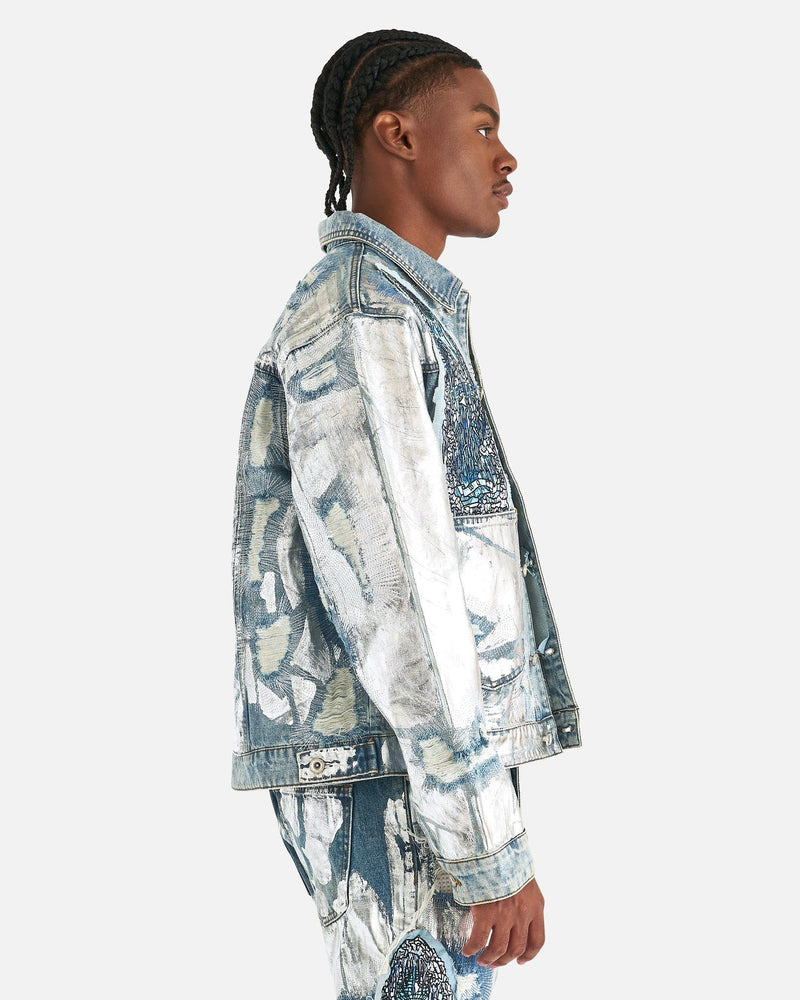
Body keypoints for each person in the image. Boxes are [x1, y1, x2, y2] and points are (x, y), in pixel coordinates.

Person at [230, 27, 581, 1000]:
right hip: (395, 770)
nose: (505, 157)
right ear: (398, 135)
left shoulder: (396, 310)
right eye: (482, 126)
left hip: (408, 764)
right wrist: (485, 845)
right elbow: (401, 604)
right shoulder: (363, 318)